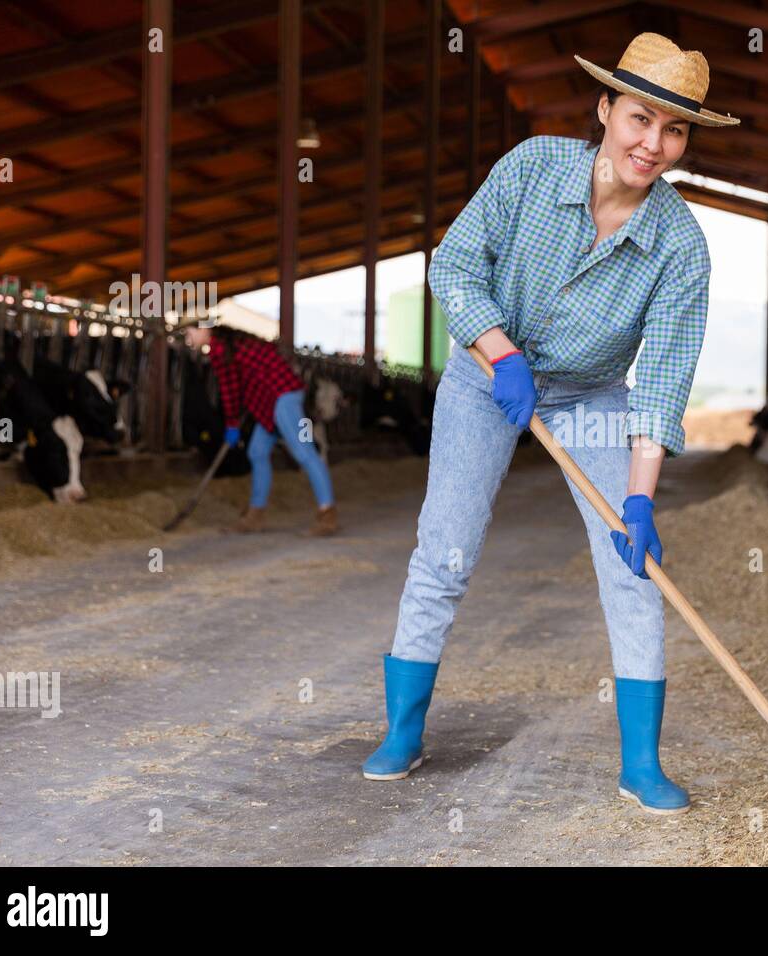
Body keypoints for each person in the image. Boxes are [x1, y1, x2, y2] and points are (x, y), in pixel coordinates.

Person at [362, 33, 739, 814]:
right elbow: (454, 265)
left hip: (591, 398)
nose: (654, 144)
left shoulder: (681, 248)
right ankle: (403, 729)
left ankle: (641, 764)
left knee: (631, 566)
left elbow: (662, 384)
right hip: (483, 374)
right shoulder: (532, 169)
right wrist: (502, 356)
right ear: (604, 109)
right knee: (447, 548)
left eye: (675, 131)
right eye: (641, 119)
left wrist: (639, 501)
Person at [180, 319, 339, 536]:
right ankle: (256, 515)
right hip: (268, 403)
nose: (187, 340)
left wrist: (232, 424)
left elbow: (230, 391)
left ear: (204, 329)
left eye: (189, 333)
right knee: (257, 452)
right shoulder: (231, 343)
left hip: (284, 398)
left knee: (304, 452)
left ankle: (327, 513)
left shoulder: (220, 349)